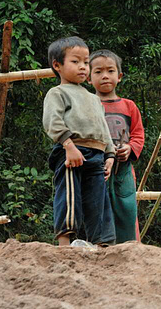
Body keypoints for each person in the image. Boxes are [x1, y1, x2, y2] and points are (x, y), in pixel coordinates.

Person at [43, 36, 115, 246]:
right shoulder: (57, 93)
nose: (83, 67)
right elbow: (52, 122)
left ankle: (102, 245)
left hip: (97, 154)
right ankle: (65, 243)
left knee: (98, 201)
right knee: (69, 197)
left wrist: (109, 155)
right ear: (57, 65)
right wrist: (69, 146)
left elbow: (104, 128)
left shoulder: (94, 98)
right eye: (76, 62)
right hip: (70, 151)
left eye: (85, 62)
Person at [89, 49, 145, 243]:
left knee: (127, 208)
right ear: (88, 78)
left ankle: (130, 247)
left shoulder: (129, 106)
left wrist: (130, 148)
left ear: (119, 76)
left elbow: (138, 134)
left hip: (123, 170)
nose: (105, 76)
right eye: (98, 71)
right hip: (96, 167)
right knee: (96, 208)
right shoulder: (88, 105)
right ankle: (99, 247)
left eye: (110, 71)